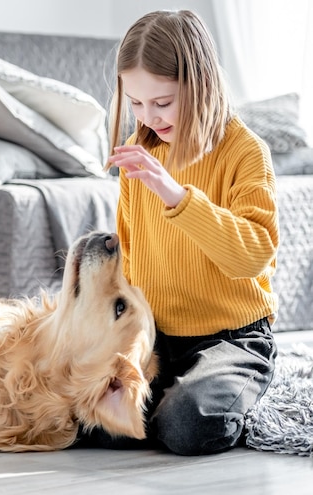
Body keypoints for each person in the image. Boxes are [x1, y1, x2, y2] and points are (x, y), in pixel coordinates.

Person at [79, 10, 279, 455]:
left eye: (162, 102)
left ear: (200, 83)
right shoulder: (141, 154)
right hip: (156, 336)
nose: (148, 118)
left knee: (188, 424)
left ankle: (236, 395)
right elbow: (131, 258)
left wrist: (174, 194)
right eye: (135, 103)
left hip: (230, 337)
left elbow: (253, 254)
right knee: (82, 415)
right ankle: (169, 404)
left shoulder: (245, 152)